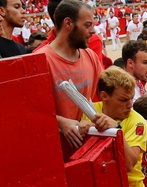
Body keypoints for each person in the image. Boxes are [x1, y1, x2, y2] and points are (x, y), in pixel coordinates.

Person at [35, 0, 106, 149]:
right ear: (68, 23)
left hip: (87, 145)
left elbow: (106, 93)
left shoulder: (90, 56)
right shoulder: (39, 60)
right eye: (87, 25)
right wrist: (59, 122)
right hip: (53, 149)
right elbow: (31, 112)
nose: (93, 31)